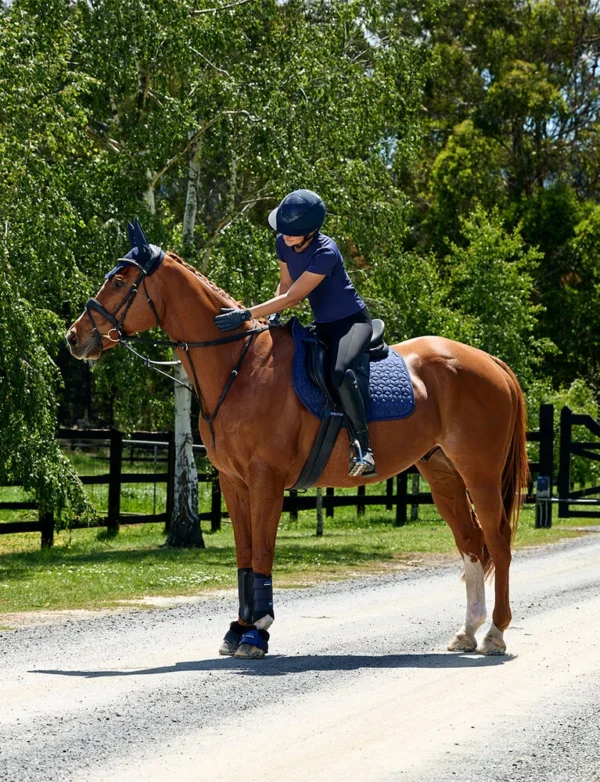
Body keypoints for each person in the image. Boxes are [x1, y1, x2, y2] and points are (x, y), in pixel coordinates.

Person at [214, 189, 376, 477]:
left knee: (339, 372)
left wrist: (248, 313)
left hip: (352, 323)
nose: (286, 235)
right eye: (283, 230)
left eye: (293, 232)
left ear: (312, 231)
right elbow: (285, 284)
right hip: (324, 325)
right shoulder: (283, 244)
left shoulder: (326, 251)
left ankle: (364, 447)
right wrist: (273, 317)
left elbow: (294, 297)